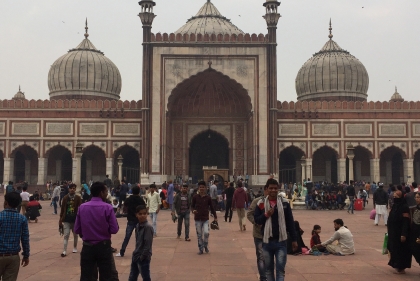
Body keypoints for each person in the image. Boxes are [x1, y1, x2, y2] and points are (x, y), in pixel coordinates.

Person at [74, 182, 119, 281]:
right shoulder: (107, 207)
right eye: (106, 191)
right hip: (103, 247)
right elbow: (114, 229)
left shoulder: (82, 207)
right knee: (107, 276)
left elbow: (76, 229)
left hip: (88, 247)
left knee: (87, 276)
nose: (107, 194)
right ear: (101, 193)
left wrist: (86, 233)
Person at [254, 179, 297, 281]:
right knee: (268, 270)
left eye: (275, 188)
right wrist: (266, 215)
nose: (273, 190)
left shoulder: (284, 203)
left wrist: (294, 239)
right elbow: (257, 220)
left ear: (278, 189)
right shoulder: (261, 203)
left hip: (281, 241)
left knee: (280, 271)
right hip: (267, 241)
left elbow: (290, 222)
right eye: (271, 188)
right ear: (267, 189)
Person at [0, 192, 30, 280]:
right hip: (13, 257)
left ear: (6, 202)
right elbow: (25, 239)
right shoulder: (22, 219)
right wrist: (26, 255)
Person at [116, 185, 146, 257]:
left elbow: (125, 206)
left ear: (132, 192)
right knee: (138, 237)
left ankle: (122, 251)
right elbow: (144, 208)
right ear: (139, 192)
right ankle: (138, 252)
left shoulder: (129, 199)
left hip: (131, 220)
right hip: (138, 220)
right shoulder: (141, 200)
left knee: (127, 236)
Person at [247, 184, 268, 281]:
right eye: (269, 189)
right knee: (261, 256)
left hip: (271, 234)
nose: (272, 191)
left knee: (269, 256)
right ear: (265, 190)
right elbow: (249, 214)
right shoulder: (257, 201)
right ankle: (263, 278)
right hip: (259, 233)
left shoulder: (276, 202)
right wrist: (255, 222)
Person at [387, 190, 411, 274]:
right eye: (394, 197)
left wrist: (404, 234)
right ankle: (396, 265)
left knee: (401, 250)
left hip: (400, 232)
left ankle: (401, 267)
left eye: (396, 197)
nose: (394, 199)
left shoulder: (404, 207)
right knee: (394, 249)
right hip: (393, 232)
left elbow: (405, 222)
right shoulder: (394, 206)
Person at [128, 205, 154, 281]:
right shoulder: (138, 226)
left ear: (147, 214)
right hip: (136, 254)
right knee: (132, 276)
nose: (142, 216)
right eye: (140, 214)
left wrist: (142, 257)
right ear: (136, 215)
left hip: (143, 257)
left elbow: (147, 244)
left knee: (146, 277)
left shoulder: (148, 227)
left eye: (144, 213)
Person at [191, 181, 217, 255]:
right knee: (199, 235)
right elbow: (192, 206)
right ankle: (201, 249)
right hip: (197, 218)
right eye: (200, 187)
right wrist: (193, 211)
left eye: (203, 187)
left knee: (206, 233)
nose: (202, 188)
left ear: (205, 188)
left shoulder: (208, 198)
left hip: (205, 218)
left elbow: (212, 208)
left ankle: (205, 245)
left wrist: (215, 216)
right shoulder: (195, 197)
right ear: (198, 188)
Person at [59, 183, 82, 257]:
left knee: (75, 234)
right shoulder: (65, 198)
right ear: (68, 189)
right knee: (66, 235)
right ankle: (64, 250)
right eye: (71, 188)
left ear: (75, 189)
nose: (72, 189)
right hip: (66, 219)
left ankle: (75, 247)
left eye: (74, 188)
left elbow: (80, 208)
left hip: (75, 219)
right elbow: (62, 209)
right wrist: (60, 219)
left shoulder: (78, 198)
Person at [411, 192, 420, 266]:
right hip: (415, 232)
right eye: (416, 197)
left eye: (418, 197)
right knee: (414, 249)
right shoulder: (416, 208)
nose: (416, 199)